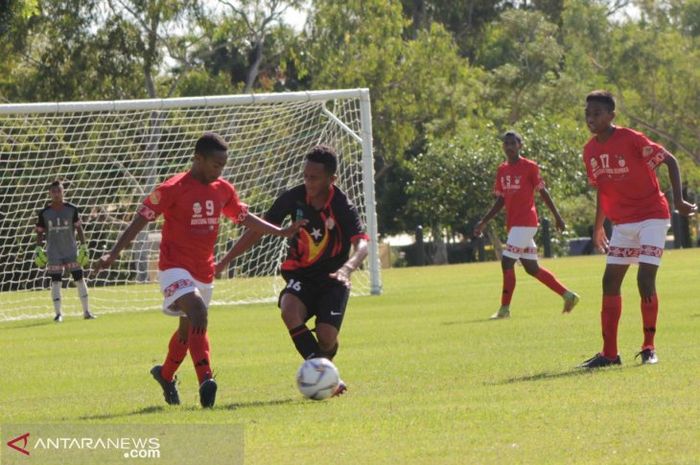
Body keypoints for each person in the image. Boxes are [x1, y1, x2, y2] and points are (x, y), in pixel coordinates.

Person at [92, 133, 306, 408]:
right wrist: (113, 253)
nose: (220, 170)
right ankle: (206, 379)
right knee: (197, 312)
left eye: (223, 165)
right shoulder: (172, 188)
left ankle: (165, 375)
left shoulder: (223, 189)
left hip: (203, 270)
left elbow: (243, 217)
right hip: (173, 267)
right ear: (198, 159)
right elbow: (140, 220)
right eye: (216, 164)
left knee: (187, 330)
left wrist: (280, 231)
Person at [216, 145, 369, 397]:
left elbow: (362, 244)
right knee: (289, 309)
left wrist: (348, 268)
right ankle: (328, 378)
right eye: (305, 176)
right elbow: (257, 230)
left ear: (332, 179)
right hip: (300, 276)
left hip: (333, 279)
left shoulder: (342, 205)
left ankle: (325, 368)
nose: (308, 182)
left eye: (314, 177)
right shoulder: (293, 198)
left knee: (327, 336)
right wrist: (226, 260)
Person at [578, 90, 697, 368]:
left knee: (644, 281)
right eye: (588, 114)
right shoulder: (590, 150)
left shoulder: (631, 139)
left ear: (611, 115)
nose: (591, 119)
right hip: (623, 223)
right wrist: (598, 228)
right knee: (609, 282)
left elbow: (670, 159)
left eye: (597, 113)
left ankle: (649, 348)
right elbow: (602, 191)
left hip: (652, 217)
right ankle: (609, 354)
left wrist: (678, 199)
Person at [473, 131, 579, 320]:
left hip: (527, 221)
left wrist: (558, 217)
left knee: (507, 262)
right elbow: (500, 201)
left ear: (520, 145)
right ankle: (568, 295)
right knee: (531, 268)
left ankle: (504, 309)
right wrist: (484, 221)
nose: (509, 146)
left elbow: (543, 191)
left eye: (513, 143)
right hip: (514, 225)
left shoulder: (529, 167)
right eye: (506, 143)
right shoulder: (502, 170)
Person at [35, 180, 95, 322]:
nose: (56, 194)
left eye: (59, 191)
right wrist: (38, 249)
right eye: (53, 191)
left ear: (63, 192)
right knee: (56, 281)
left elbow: (79, 229)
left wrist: (84, 246)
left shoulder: (72, 209)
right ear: (49, 193)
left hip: (71, 251)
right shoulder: (44, 213)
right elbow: (39, 232)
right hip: (53, 252)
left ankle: (86, 311)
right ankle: (58, 314)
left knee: (79, 279)